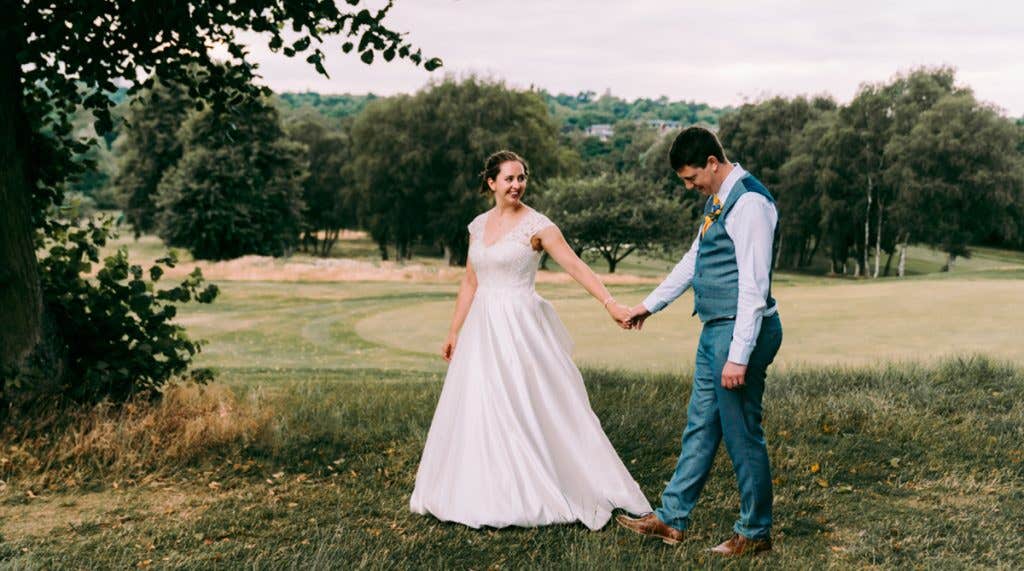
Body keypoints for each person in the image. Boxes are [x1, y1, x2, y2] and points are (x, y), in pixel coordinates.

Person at [409, 150, 652, 530]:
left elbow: (574, 265)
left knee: (527, 403)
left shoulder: (539, 227)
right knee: (480, 402)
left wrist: (609, 302)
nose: (516, 185)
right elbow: (471, 281)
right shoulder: (477, 227)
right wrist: (454, 330)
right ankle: (481, 488)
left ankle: (544, 483)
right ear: (491, 183)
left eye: (521, 178)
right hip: (482, 328)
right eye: (508, 179)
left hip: (521, 326)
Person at [616, 127, 783, 556]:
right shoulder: (719, 199)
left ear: (713, 162)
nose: (690, 188)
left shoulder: (749, 203)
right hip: (715, 329)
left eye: (692, 178)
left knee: (742, 433)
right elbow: (695, 258)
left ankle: (755, 532)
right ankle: (671, 519)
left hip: (738, 333)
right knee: (701, 428)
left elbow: (754, 286)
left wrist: (738, 357)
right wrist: (648, 306)